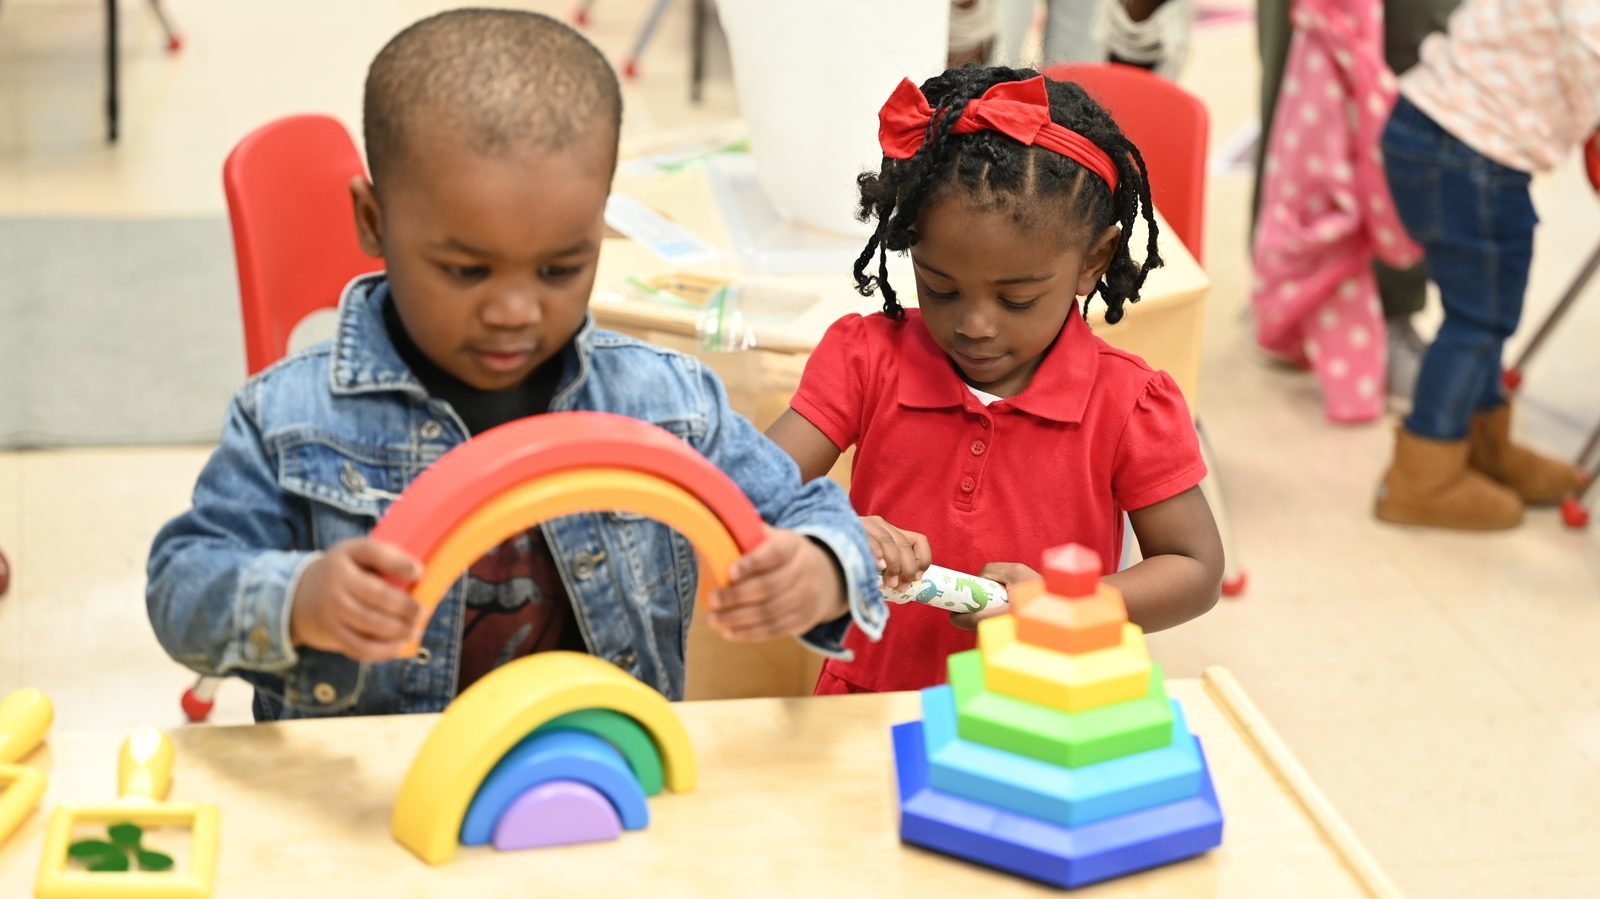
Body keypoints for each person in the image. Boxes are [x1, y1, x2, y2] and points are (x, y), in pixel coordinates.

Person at [146, 9, 884, 721]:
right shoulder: (291, 418)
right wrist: (297, 596)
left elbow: (804, 509)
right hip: (373, 804)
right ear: (373, 220)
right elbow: (182, 587)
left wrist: (820, 566)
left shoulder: (665, 402)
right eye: (467, 271)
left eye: (560, 268)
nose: (514, 311)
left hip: (604, 781)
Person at [766, 67, 1223, 694]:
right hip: (867, 702)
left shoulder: (1127, 402)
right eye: (940, 287)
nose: (974, 326)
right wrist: (824, 522)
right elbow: (745, 490)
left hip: (1039, 717)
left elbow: (1195, 568)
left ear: (1092, 261)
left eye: (1016, 300)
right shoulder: (865, 358)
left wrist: (1066, 605)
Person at [1373, 0, 1595, 530]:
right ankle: (1424, 473)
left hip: (1430, 127)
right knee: (1478, 318)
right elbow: (1591, 45)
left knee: (1481, 306)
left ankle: (1482, 444)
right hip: (1472, 152)